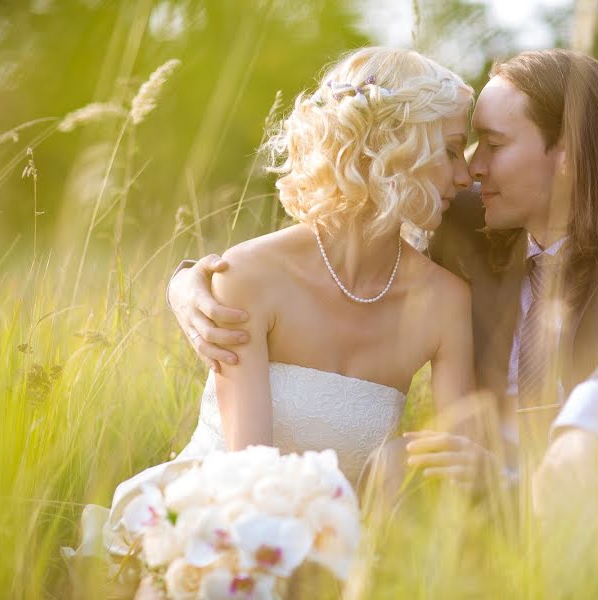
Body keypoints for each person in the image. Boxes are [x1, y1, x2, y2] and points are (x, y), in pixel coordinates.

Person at [170, 49, 598, 510]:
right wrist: (189, 281)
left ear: (568, 151)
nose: (473, 170)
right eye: (465, 148)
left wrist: (595, 420)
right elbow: (353, 218)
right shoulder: (465, 221)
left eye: (495, 145)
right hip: (470, 511)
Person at [66, 46, 480, 586]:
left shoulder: (446, 300)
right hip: (216, 527)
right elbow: (246, 470)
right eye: (451, 151)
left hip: (349, 546)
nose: (467, 174)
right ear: (395, 150)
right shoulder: (249, 277)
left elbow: (458, 470)